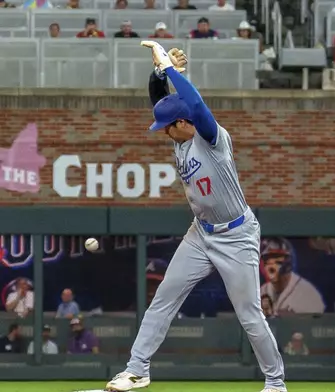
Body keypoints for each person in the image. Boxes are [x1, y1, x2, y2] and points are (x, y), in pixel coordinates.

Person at [106, 41, 286, 392]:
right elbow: (160, 99)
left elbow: (198, 104)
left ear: (183, 122)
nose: (164, 132)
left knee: (250, 316)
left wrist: (173, 71)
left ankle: (275, 383)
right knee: (164, 299)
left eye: (168, 127)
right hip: (200, 234)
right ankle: (137, 369)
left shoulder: (211, 138)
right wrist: (159, 70)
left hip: (237, 235)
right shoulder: (179, 138)